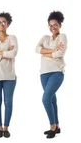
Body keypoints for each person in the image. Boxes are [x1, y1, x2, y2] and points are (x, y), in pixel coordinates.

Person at [37, 11, 66, 139]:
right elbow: (37, 49)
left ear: (60, 25)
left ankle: (52, 127)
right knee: (52, 99)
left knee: (45, 99)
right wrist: (53, 50)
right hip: (44, 73)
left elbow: (59, 54)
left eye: (55, 25)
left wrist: (46, 53)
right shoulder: (45, 38)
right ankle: (58, 125)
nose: (52, 27)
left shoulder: (63, 37)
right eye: (50, 25)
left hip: (57, 72)